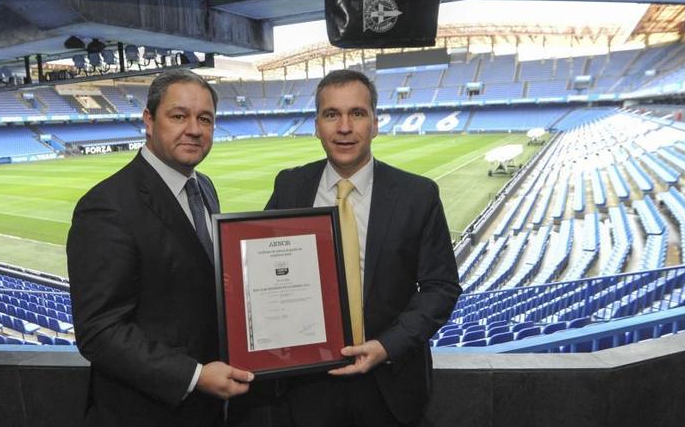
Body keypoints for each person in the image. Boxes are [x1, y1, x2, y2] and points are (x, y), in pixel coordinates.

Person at [237, 69, 461, 427]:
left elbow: (441, 288)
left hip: (390, 384)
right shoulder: (290, 185)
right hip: (306, 385)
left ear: (375, 123)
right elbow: (259, 273)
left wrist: (387, 346)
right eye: (331, 114)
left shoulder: (417, 195)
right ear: (316, 126)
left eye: (357, 113)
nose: (344, 127)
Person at [67, 69, 254, 427]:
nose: (195, 129)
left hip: (211, 408)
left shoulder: (205, 187)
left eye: (205, 119)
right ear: (149, 121)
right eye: (179, 116)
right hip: (147, 413)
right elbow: (100, 331)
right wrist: (194, 376)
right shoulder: (107, 206)